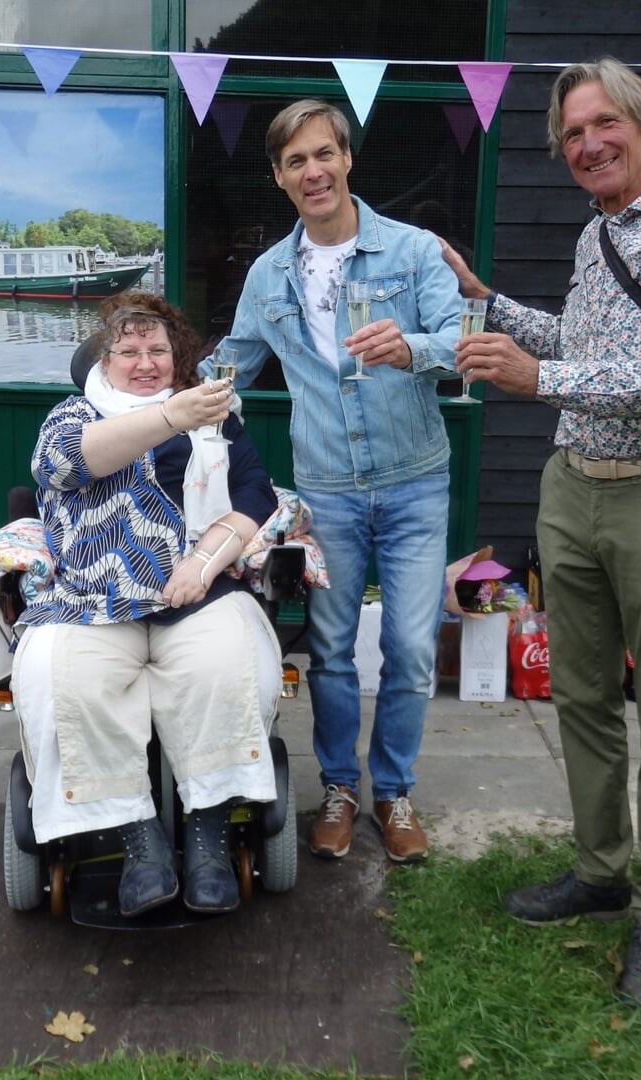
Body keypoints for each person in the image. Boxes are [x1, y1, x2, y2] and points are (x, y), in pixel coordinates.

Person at [441, 58, 641, 1013]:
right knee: (582, 695)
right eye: (572, 134)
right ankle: (600, 871)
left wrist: (535, 381)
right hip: (574, 487)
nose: (587, 145)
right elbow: (584, 348)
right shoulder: (597, 236)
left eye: (602, 124)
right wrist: (489, 303)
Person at [205, 99, 464, 864]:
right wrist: (150, 396)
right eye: (296, 161)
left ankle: (395, 791)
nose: (313, 171)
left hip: (416, 482)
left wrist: (411, 348)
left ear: (347, 159)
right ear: (279, 177)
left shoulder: (413, 250)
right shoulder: (268, 274)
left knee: (412, 648)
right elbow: (232, 364)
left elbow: (461, 343)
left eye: (324, 154)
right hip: (327, 489)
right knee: (333, 648)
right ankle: (340, 790)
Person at [13, 291, 283, 918]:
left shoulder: (213, 415)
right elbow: (69, 465)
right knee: (66, 680)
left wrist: (204, 563)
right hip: (90, 598)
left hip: (195, 593)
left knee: (228, 666)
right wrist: (170, 416)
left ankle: (208, 835)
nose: (144, 362)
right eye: (127, 351)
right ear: (102, 362)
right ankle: (139, 839)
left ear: (175, 356)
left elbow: (254, 494)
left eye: (157, 350)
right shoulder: (72, 416)